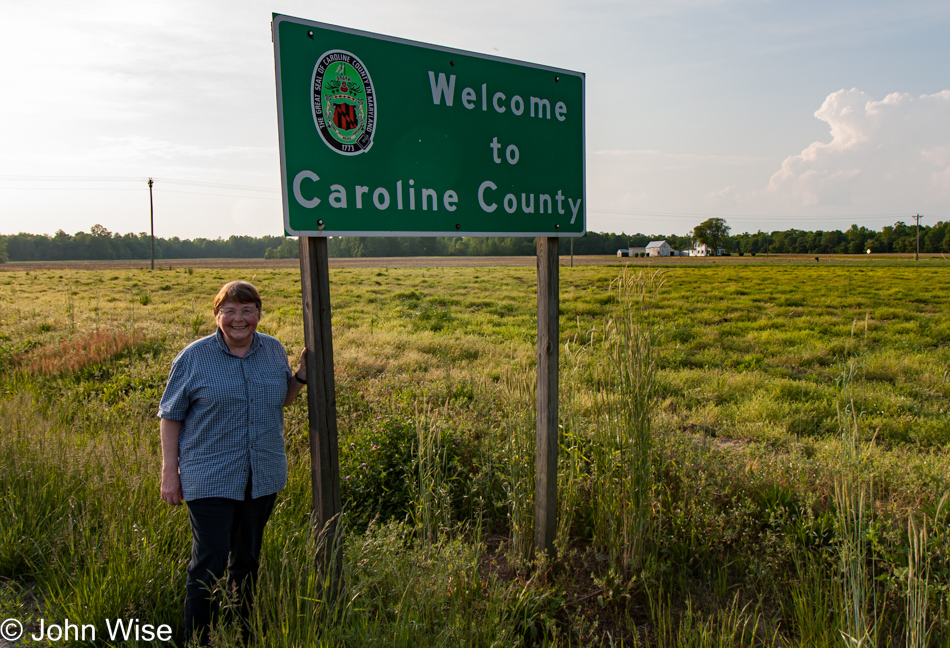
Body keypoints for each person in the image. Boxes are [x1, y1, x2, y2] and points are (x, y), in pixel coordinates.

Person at [158, 280, 307, 645]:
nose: (238, 319)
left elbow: (281, 400)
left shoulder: (273, 350)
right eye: (230, 310)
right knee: (208, 562)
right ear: (217, 314)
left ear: (258, 313)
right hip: (209, 476)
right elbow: (170, 416)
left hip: (262, 474)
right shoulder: (194, 357)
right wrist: (170, 473)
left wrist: (301, 376)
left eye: (247, 310)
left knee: (246, 561)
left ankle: (242, 632)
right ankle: (197, 639)